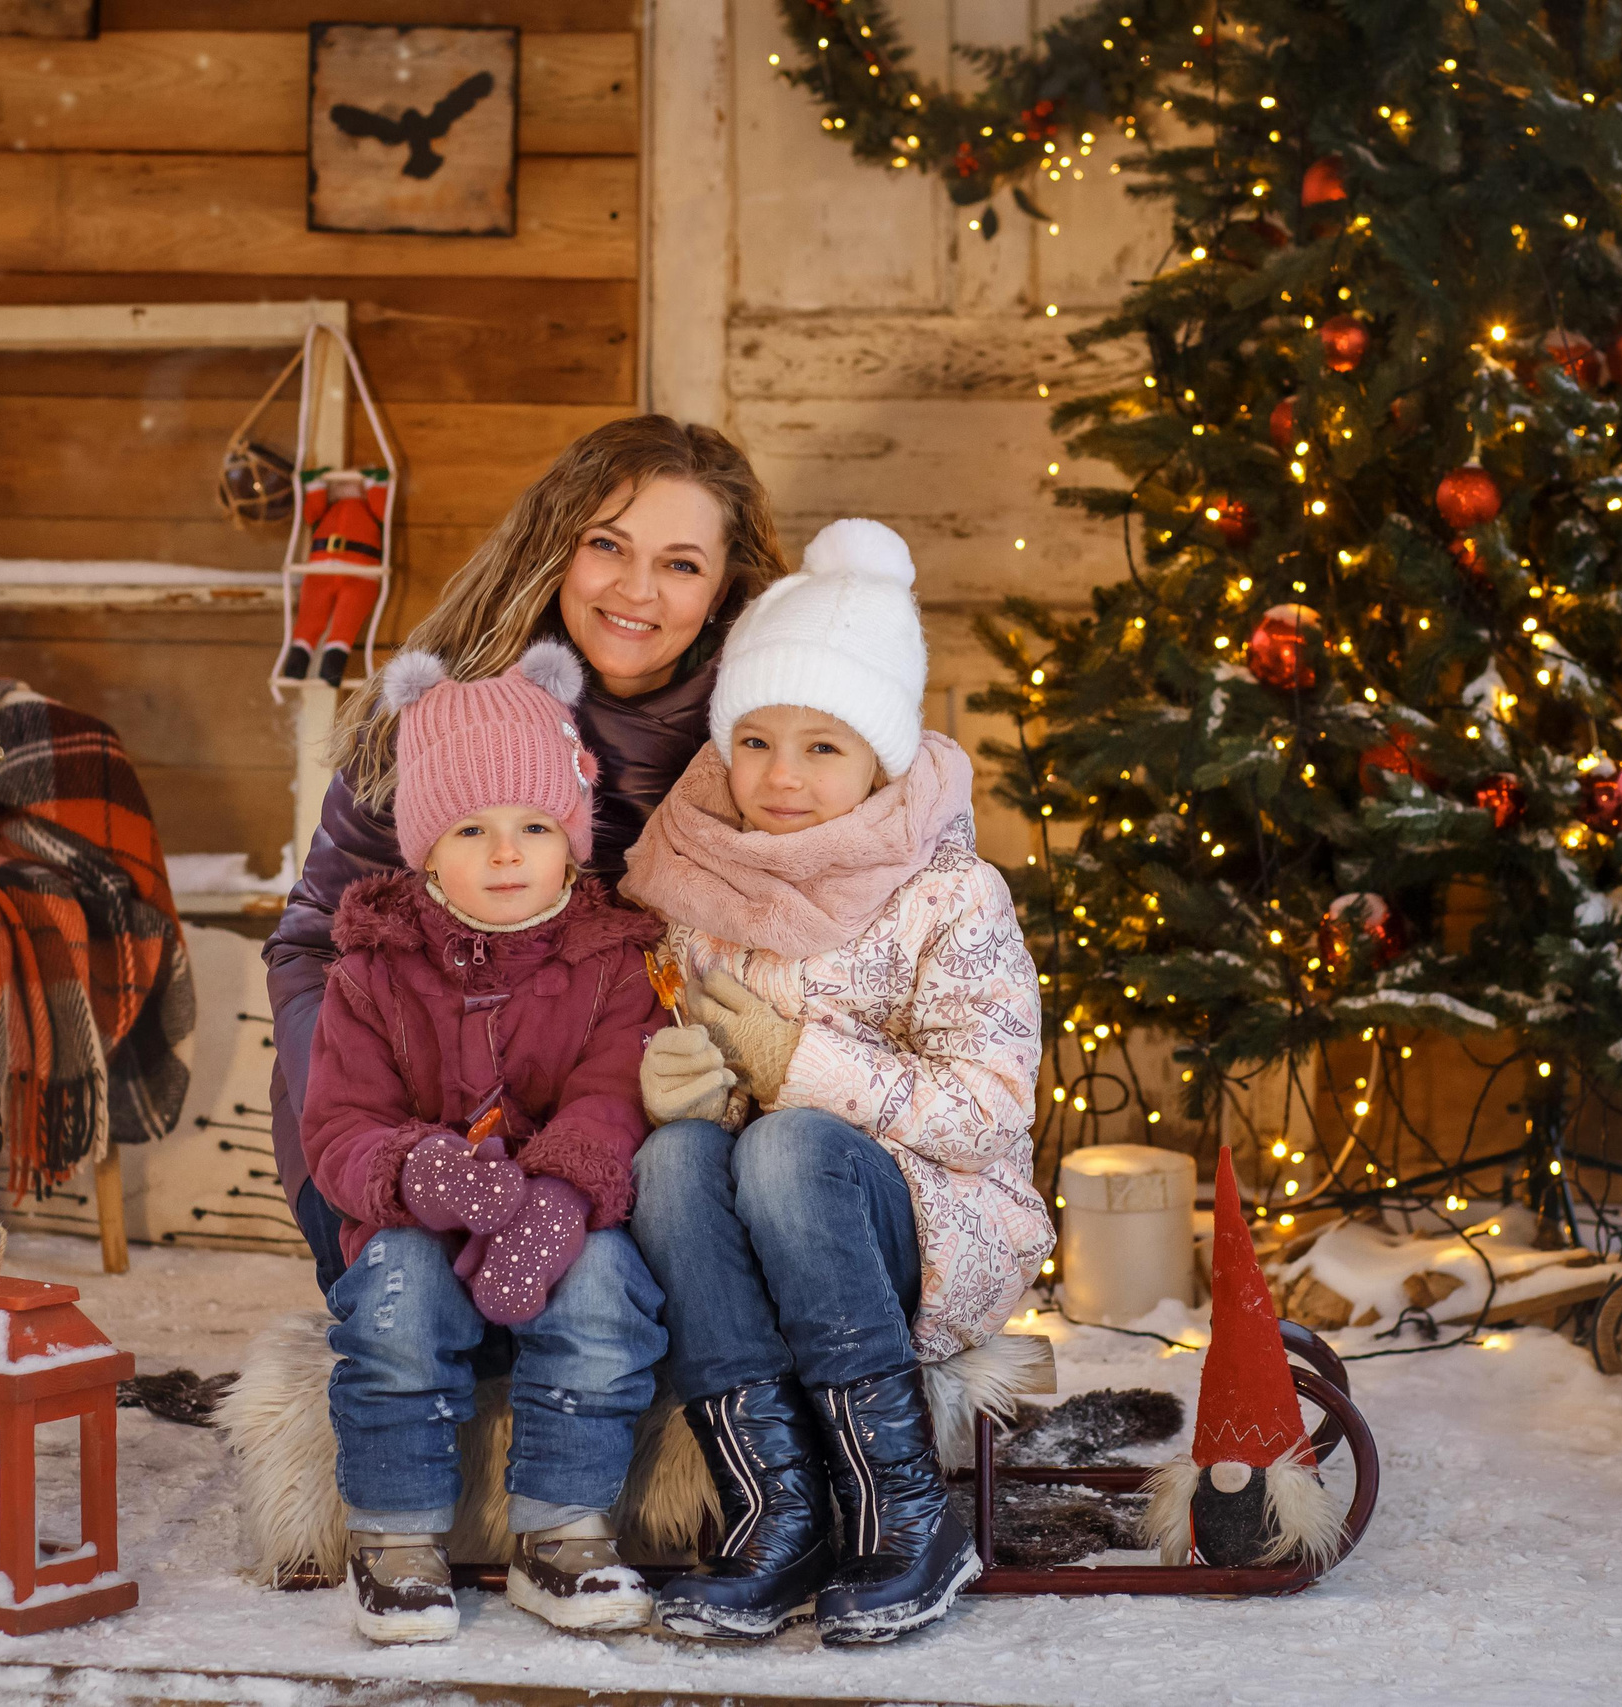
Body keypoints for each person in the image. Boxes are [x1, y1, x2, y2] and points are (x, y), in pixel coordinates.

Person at [619, 518, 1052, 1646]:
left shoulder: (949, 895)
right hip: (767, 1229)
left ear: (881, 756)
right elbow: (685, 1058)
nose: (781, 777)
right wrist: (689, 1083)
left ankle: (903, 1512)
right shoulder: (699, 878)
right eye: (754, 742)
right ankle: (777, 1505)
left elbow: (992, 1108)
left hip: (935, 1225)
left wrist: (791, 1067)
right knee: (672, 1159)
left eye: (822, 747)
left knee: (790, 1142)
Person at [265, 415, 790, 1292]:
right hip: (416, 1107)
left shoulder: (763, 732)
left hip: (635, 1102)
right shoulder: (449, 704)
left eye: (681, 564)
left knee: (611, 1304)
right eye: (607, 545)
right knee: (412, 1301)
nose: (638, 590)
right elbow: (317, 937)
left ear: (726, 585)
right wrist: (377, 1139)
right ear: (554, 544)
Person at [303, 639, 669, 1643]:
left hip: (560, 1223)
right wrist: (413, 1170)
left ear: (571, 839)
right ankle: (397, 1535)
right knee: (392, 1297)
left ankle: (563, 1531)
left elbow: (612, 1098)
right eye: (470, 827)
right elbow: (337, 1123)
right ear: (424, 847)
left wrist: (560, 1193)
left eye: (533, 824)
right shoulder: (371, 971)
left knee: (605, 1291)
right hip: (425, 1216)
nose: (505, 852)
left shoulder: (613, 962)